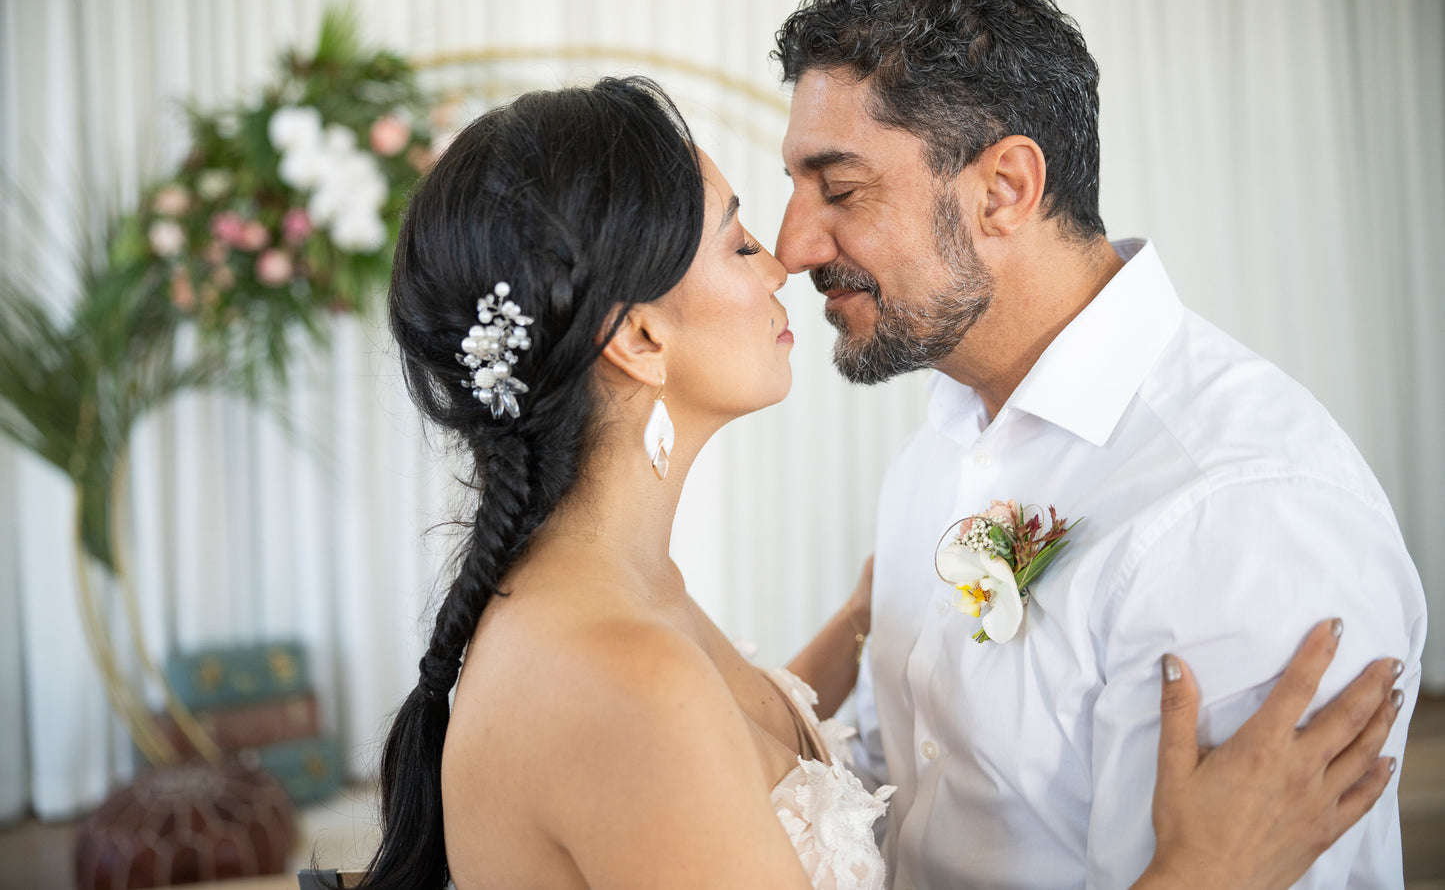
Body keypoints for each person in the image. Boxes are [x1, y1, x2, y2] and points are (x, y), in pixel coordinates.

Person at [353, 77, 1402, 890]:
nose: (786, 259)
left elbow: (741, 773)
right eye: (738, 239)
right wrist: (1204, 876)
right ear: (636, 336)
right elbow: (663, 742)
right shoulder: (618, 673)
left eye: (835, 190)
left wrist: (883, 614)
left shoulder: (620, 589)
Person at [771, 0, 1428, 889]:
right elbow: (904, 788)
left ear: (1003, 189)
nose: (794, 246)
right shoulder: (938, 447)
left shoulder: (1238, 517)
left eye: (840, 190)